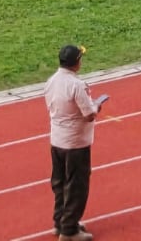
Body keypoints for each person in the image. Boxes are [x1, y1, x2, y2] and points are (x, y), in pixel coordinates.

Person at [43, 43, 105, 241]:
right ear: (76, 63)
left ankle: (60, 221)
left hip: (57, 140)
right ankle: (69, 230)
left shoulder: (51, 81)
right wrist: (96, 106)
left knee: (60, 183)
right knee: (76, 185)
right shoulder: (77, 85)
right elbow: (88, 114)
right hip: (75, 143)